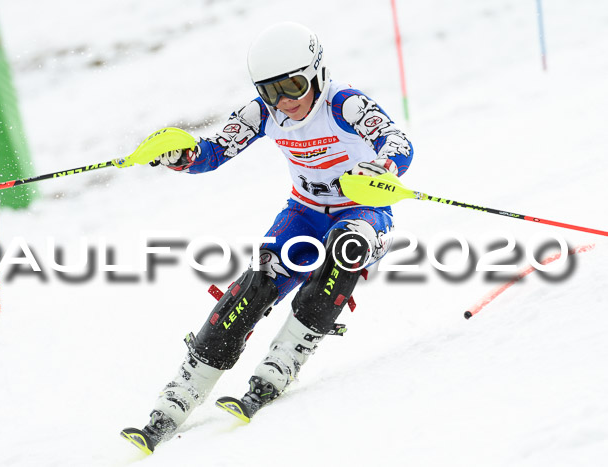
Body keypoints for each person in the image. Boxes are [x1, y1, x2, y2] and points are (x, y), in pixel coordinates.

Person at [122, 21, 413, 454]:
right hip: (304, 214)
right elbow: (213, 152)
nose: (286, 102)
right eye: (272, 91)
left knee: (345, 247)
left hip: (364, 211)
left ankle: (282, 364)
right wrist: (178, 155)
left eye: (294, 86)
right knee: (257, 282)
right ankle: (180, 395)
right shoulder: (263, 112)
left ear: (315, 72)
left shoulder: (344, 103)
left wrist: (383, 167)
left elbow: (397, 142)